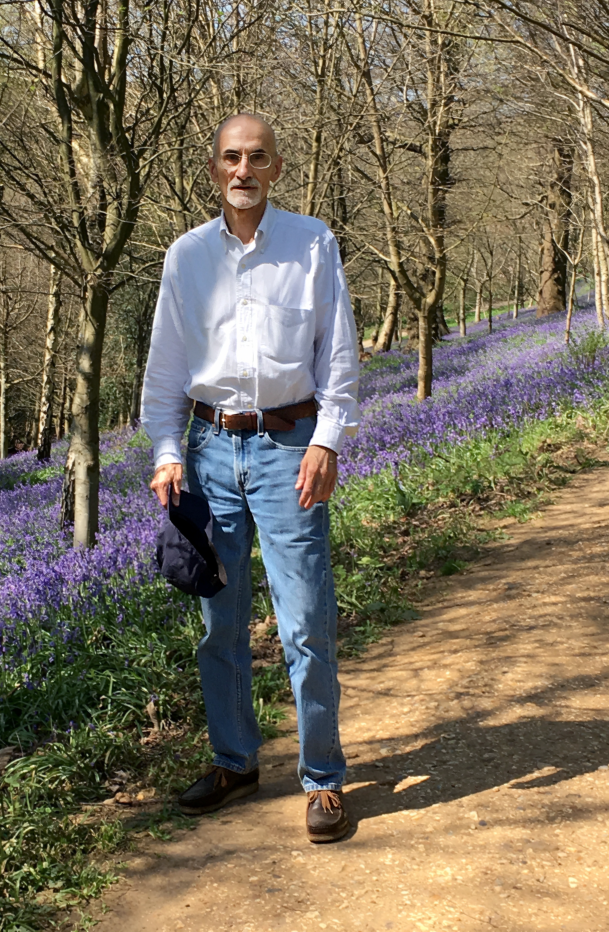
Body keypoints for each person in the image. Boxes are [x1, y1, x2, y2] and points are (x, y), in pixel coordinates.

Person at [141, 114, 360, 843]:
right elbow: (167, 366)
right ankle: (235, 761)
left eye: (256, 158)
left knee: (305, 623)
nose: (243, 170)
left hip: (289, 447)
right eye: (231, 158)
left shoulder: (311, 242)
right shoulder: (187, 255)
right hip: (207, 451)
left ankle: (323, 781)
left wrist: (326, 440)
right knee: (218, 626)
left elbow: (338, 354)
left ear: (275, 167)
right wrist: (167, 450)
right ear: (214, 169)